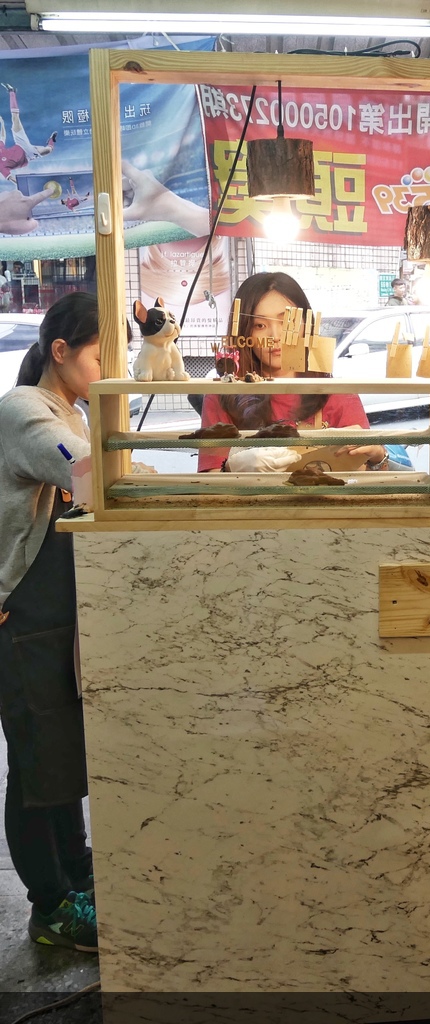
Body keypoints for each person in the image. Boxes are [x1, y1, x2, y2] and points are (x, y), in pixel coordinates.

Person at [0, 292, 101, 952]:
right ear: (60, 352)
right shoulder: (24, 410)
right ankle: (50, 905)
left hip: (57, 615)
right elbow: (85, 473)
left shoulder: (75, 407)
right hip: (22, 614)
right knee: (36, 762)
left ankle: (81, 878)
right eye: (99, 353)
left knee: (62, 752)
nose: (106, 365)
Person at [198, 272, 389, 473]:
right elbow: (208, 484)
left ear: (306, 325)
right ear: (244, 332)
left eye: (287, 322)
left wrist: (377, 455)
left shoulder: (336, 393)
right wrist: (232, 468)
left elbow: (368, 479)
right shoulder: (222, 396)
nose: (275, 336)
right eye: (260, 325)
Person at [0, 83, 55, 182]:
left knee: (15, 119)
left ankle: (11, 91)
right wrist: (24, 186)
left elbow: (2, 137)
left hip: (21, 144)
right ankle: (51, 140)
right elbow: (12, 178)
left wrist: (2, 123)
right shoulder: (1, 167)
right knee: (48, 150)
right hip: (28, 155)